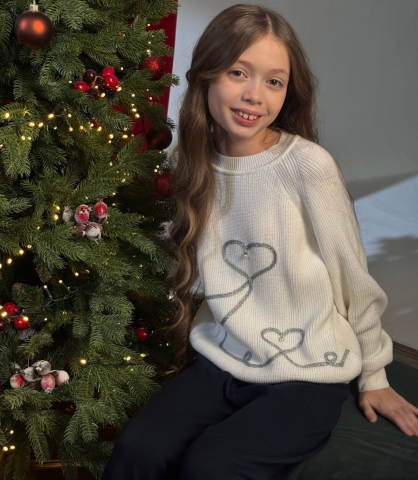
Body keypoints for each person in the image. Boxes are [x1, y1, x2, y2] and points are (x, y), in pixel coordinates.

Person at [101, 4, 418, 479]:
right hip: (222, 358)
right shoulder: (191, 165)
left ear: (289, 92)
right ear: (207, 74)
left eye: (274, 81)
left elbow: (353, 277)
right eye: (238, 72)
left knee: (213, 466)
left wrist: (374, 375)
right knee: (138, 449)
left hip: (308, 370)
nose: (254, 95)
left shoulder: (307, 165)